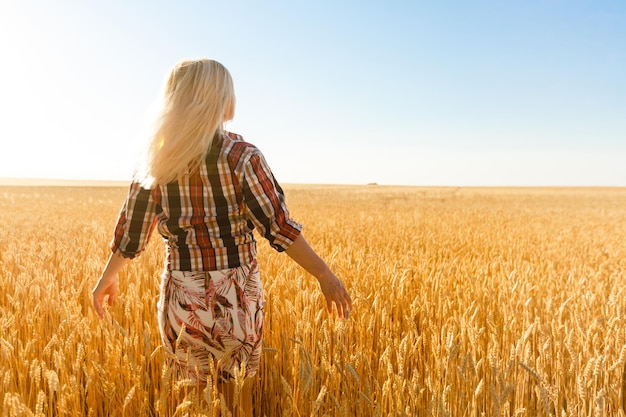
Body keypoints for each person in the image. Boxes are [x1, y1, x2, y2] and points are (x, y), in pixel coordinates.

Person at [91, 59, 352, 416]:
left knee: (191, 401)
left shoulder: (155, 161)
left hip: (182, 296)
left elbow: (132, 234)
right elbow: (278, 228)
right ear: (223, 102)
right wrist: (325, 275)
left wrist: (107, 276)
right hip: (238, 296)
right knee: (238, 398)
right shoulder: (242, 157)